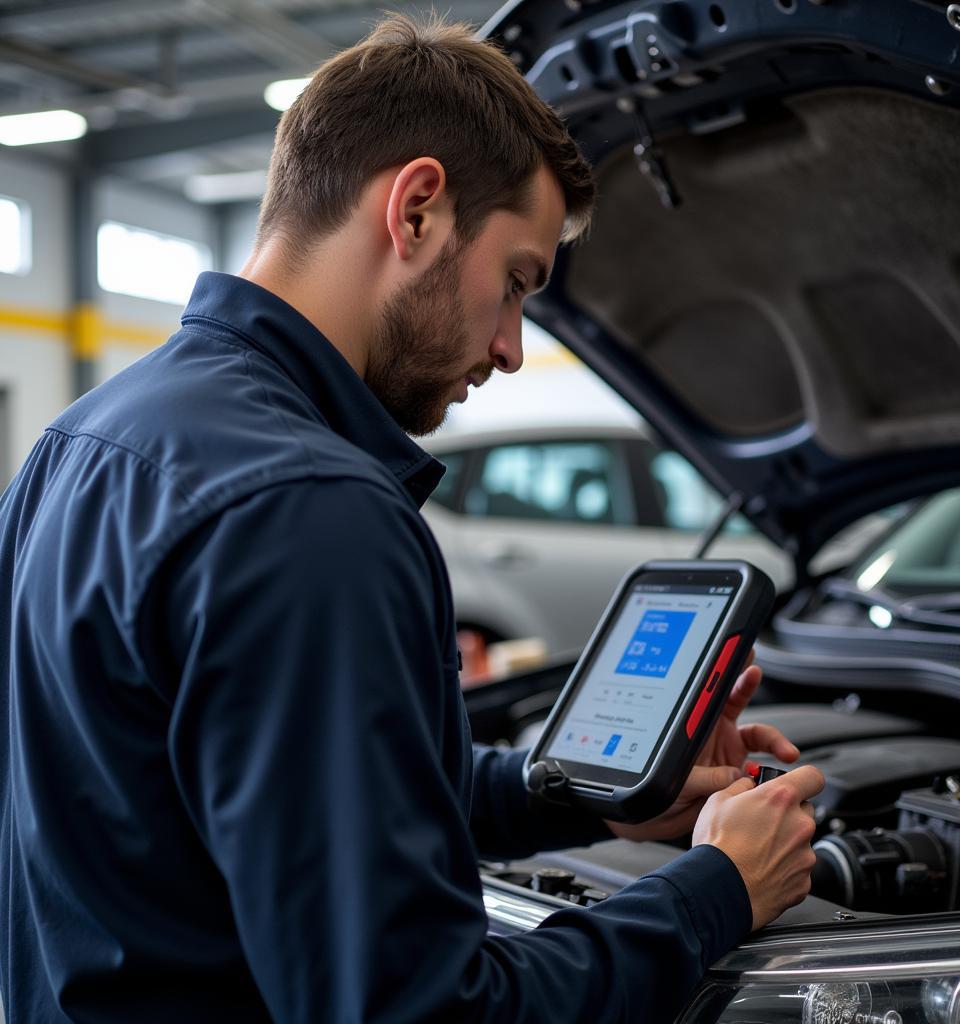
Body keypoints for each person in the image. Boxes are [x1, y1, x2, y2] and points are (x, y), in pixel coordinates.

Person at [0, 14, 824, 1023]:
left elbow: (295, 795)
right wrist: (717, 892)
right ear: (419, 209)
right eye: (517, 281)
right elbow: (419, 1009)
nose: (513, 346)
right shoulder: (311, 511)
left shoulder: (79, 443)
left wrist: (586, 791)